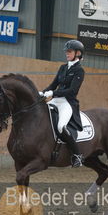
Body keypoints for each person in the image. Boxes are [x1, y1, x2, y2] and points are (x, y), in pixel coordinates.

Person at [39, 40, 85, 168]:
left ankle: (77, 155)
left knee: (60, 127)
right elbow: (53, 84)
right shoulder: (63, 67)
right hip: (56, 99)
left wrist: (53, 93)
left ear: (78, 53)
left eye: (69, 51)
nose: (67, 54)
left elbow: (72, 91)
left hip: (67, 103)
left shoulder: (79, 71)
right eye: (67, 52)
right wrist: (42, 93)